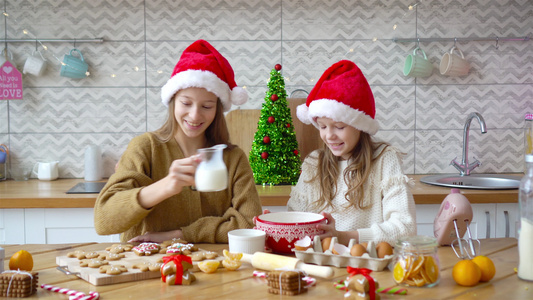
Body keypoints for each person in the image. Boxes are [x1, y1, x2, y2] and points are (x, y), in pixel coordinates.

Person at [94, 39, 262, 243]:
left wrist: (180, 235)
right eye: (186, 103)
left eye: (207, 106)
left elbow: (249, 225)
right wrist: (165, 186)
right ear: (173, 101)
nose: (194, 115)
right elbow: (104, 220)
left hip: (215, 269)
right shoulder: (146, 148)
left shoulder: (233, 159)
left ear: (217, 109)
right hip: (150, 267)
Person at [287, 60, 416, 246]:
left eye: (339, 126)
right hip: (320, 265)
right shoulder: (314, 163)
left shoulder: (384, 159)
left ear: (359, 126)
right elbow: (295, 216)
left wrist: (345, 237)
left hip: (369, 265)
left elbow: (405, 228)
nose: (329, 135)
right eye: (322, 126)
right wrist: (275, 226)